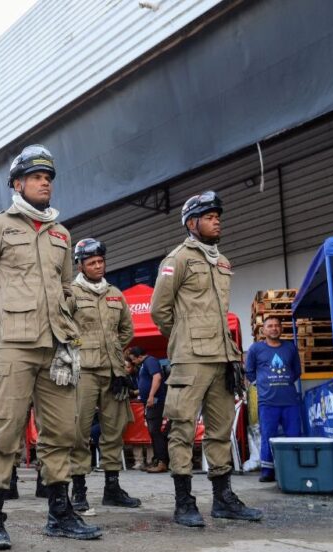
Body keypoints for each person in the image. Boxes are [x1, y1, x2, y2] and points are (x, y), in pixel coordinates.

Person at [0, 143, 101, 550]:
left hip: (56, 344)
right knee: (4, 429)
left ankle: (60, 514)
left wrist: (63, 322)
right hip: (12, 346)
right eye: (37, 177)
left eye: (49, 178)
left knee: (61, 431)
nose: (45, 183)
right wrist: (3, 322)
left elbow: (65, 286)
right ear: (17, 184)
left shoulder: (61, 233)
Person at [150, 191, 262, 528]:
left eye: (218, 217)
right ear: (191, 223)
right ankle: (184, 501)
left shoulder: (222, 262)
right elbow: (159, 310)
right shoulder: (178, 259)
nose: (217, 221)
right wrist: (184, 337)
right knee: (182, 428)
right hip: (190, 358)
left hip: (222, 355)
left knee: (220, 429)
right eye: (209, 217)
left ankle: (223, 498)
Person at [67, 237, 141, 511]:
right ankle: (79, 490)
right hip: (83, 371)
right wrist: (80, 348)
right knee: (79, 430)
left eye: (101, 261)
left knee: (114, 429)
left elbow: (127, 330)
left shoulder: (115, 294)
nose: (98, 266)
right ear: (80, 266)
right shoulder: (70, 293)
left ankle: (112, 488)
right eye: (92, 263)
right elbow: (61, 328)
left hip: (113, 371)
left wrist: (112, 351)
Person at [245, 315, 302, 482]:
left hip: (290, 401)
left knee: (294, 436)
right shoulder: (255, 349)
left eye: (277, 325)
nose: (274, 328)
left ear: (281, 328)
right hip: (268, 402)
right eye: (270, 326)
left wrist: (284, 382)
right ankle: (267, 471)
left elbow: (297, 371)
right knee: (268, 436)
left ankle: (294, 469)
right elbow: (249, 371)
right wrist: (262, 385)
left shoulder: (290, 348)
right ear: (263, 330)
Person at [128, 346, 169, 473]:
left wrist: (151, 396)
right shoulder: (145, 364)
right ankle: (157, 460)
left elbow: (157, 377)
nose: (133, 362)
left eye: (133, 359)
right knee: (153, 432)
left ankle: (162, 461)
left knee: (155, 431)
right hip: (151, 401)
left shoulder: (150, 361)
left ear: (139, 356)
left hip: (155, 401)